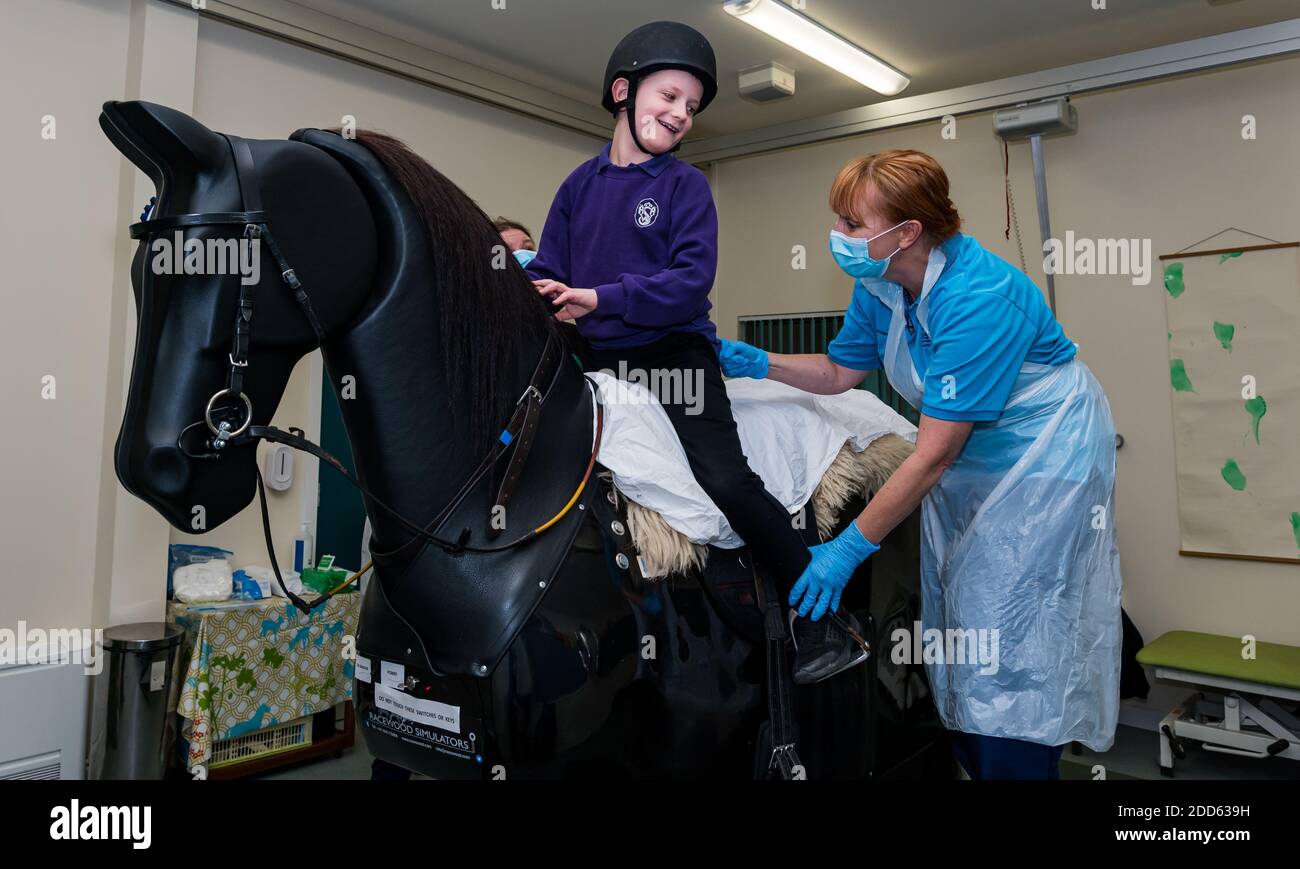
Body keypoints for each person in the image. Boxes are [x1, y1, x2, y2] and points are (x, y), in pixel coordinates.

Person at [720, 149, 1123, 779]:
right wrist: (753, 361)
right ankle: (975, 756)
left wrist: (849, 548)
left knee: (1014, 625)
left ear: (906, 231)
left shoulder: (979, 298)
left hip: (1045, 458)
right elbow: (837, 374)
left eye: (852, 224)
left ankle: (1018, 765)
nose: (838, 237)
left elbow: (932, 454)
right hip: (969, 460)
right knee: (958, 611)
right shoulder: (882, 282)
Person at [525, 20, 867, 685]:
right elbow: (549, 268)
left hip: (673, 355)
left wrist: (598, 297)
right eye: (670, 96)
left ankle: (823, 617)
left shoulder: (685, 188)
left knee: (726, 478)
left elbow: (688, 283)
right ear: (623, 91)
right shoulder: (577, 187)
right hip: (597, 359)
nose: (682, 114)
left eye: (691, 107)